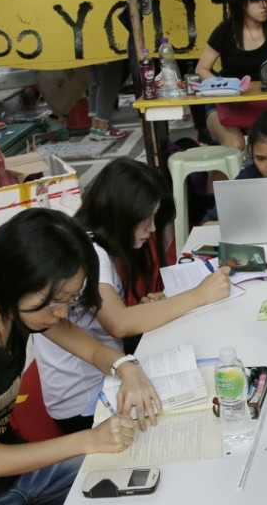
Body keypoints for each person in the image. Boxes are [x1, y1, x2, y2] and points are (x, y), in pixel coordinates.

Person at [0, 208, 160, 505]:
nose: (62, 313)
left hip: (19, 476)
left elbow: (94, 350)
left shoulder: (18, 309)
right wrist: (89, 440)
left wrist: (128, 368)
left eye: (70, 299)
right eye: (54, 301)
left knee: (138, 472)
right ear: (14, 280)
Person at [34, 158, 231, 433]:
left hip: (107, 372)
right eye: (146, 219)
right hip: (86, 402)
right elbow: (118, 322)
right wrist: (199, 294)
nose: (152, 229)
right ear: (121, 215)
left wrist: (141, 309)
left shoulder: (92, 242)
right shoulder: (91, 253)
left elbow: (112, 316)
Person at [196, 0, 267, 149]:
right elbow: (202, 68)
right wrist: (225, 89)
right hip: (223, 106)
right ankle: (214, 178)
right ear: (240, 1)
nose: (264, 5)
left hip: (261, 104)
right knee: (235, 145)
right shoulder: (224, 32)